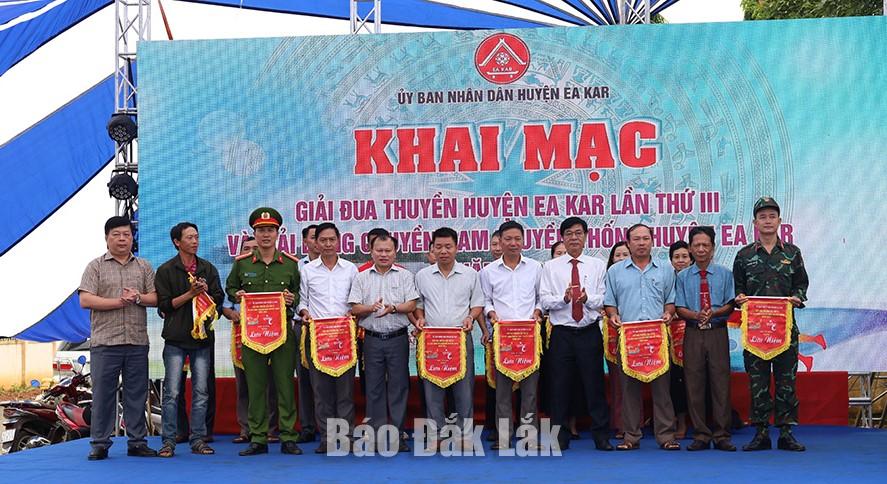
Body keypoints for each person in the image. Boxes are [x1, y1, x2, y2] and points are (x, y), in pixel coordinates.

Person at [78, 216, 159, 460]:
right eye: (116, 234)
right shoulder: (95, 266)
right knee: (103, 396)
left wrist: (137, 298)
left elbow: (155, 298)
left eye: (126, 234)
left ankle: (137, 442)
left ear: (133, 238)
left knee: (136, 395)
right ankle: (100, 443)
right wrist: (118, 302)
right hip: (105, 342)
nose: (122, 239)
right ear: (106, 238)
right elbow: (85, 300)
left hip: (136, 341)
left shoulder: (144, 266)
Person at [733, 197, 808, 452]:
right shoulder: (744, 256)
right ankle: (761, 433)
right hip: (756, 332)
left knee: (787, 382)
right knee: (758, 383)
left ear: (779, 221)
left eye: (772, 216)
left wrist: (797, 297)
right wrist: (739, 298)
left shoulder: (792, 253)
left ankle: (786, 433)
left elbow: (801, 284)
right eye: (762, 217)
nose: (767, 221)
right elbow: (738, 289)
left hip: (784, 331)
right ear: (755, 223)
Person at [226, 207, 302, 456]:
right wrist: (237, 295)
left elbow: (299, 293)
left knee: (284, 385)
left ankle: (288, 436)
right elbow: (230, 288)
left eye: (270, 230)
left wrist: (292, 299)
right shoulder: (242, 263)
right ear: (254, 234)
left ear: (278, 233)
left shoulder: (290, 264)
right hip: (253, 333)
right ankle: (258, 437)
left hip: (282, 333)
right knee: (255, 386)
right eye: (261, 230)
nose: (266, 235)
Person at [540, 217, 613, 452]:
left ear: (586, 236)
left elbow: (604, 298)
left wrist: (586, 298)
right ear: (562, 237)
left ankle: (601, 436)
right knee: (559, 386)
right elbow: (544, 300)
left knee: (594, 385)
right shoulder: (550, 267)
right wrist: (563, 299)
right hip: (562, 333)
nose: (574, 237)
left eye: (578, 233)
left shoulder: (597, 265)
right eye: (569, 233)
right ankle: (560, 437)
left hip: (589, 332)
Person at [605, 223, 679, 451]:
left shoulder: (665, 270)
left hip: (657, 339)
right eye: (636, 239)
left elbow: (671, 300)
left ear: (652, 241)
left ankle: (666, 436)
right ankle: (630, 436)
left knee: (662, 390)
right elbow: (610, 303)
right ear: (628, 243)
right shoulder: (615, 272)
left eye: (645, 238)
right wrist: (613, 315)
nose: (641, 243)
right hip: (629, 339)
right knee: (629, 390)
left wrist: (668, 313)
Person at [154, 222, 225, 457]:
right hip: (175, 339)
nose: (195, 241)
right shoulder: (166, 270)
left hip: (202, 340)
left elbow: (219, 299)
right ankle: (168, 441)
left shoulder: (207, 268)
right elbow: (164, 305)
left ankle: (198, 439)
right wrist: (190, 294)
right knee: (172, 393)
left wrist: (205, 293)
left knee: (201, 392)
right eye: (189, 238)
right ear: (177, 242)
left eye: (196, 237)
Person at [414, 227, 484, 449]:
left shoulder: (470, 274)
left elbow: (477, 304)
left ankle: (464, 436)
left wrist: (470, 317)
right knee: (432, 390)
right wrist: (420, 319)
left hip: (460, 338)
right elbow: (418, 305)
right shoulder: (422, 276)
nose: (443, 251)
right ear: (432, 249)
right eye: (439, 247)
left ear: (457, 248)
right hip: (432, 340)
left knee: (464, 390)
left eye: (448, 246)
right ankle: (437, 435)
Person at [349, 234, 418, 453]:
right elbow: (354, 308)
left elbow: (411, 304)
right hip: (372, 339)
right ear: (371, 252)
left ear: (395, 252)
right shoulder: (361, 277)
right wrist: (370, 308)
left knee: (399, 387)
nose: (384, 254)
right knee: (374, 388)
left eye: (388, 250)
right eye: (379, 250)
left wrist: (393, 308)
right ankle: (376, 436)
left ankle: (398, 435)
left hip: (398, 338)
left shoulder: (405, 276)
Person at [480, 221, 543, 450]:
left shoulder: (535, 267)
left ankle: (529, 438)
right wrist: (491, 313)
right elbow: (485, 300)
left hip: (528, 337)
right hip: (503, 338)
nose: (513, 243)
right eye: (508, 239)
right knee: (503, 392)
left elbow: (541, 297)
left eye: (517, 239)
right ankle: (503, 437)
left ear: (523, 241)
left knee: (530, 392)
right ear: (500, 241)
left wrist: (538, 311)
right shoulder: (488, 271)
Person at [298, 222, 359, 454]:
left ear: (339, 241)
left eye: (332, 239)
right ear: (315, 243)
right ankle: (327, 438)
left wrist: (352, 313)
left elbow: (356, 300)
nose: (327, 244)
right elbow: (302, 301)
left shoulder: (350, 269)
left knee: (345, 392)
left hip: (344, 337)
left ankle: (347, 438)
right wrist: (304, 312)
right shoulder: (307, 270)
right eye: (322, 240)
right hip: (318, 337)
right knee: (321, 391)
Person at [675, 227, 737, 451]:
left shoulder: (725, 274)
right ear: (690, 248)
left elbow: (731, 303)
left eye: (706, 245)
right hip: (693, 332)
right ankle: (701, 434)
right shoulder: (682, 277)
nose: (701, 249)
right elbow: (679, 307)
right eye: (697, 245)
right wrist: (696, 315)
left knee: (721, 383)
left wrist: (715, 312)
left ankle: (722, 435)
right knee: (694, 384)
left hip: (717, 331)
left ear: (713, 248)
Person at [222, 236, 280, 444]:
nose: (250, 252)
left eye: (254, 248)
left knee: (269, 385)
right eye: (246, 248)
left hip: (268, 334)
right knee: (244, 385)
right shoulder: (236, 273)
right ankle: (246, 429)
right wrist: (232, 314)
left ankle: (270, 429)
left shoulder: (272, 271)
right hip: (243, 334)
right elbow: (225, 305)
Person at [295, 224, 320, 444]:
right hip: (302, 327)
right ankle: (308, 426)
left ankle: (332, 426)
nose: (318, 242)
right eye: (313, 237)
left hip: (330, 329)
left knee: (329, 377)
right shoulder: (297, 267)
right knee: (304, 378)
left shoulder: (342, 267)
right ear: (305, 242)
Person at [605, 241, 630, 440]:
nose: (621, 259)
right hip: (611, 334)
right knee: (617, 383)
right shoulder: (606, 279)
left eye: (625, 255)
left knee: (632, 383)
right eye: (617, 255)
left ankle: (635, 424)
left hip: (637, 334)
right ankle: (619, 424)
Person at [668, 240, 693, 440]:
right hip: (670, 339)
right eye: (676, 257)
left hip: (694, 334)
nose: (681, 260)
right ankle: (680, 422)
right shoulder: (666, 281)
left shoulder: (698, 279)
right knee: (675, 382)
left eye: (685, 256)